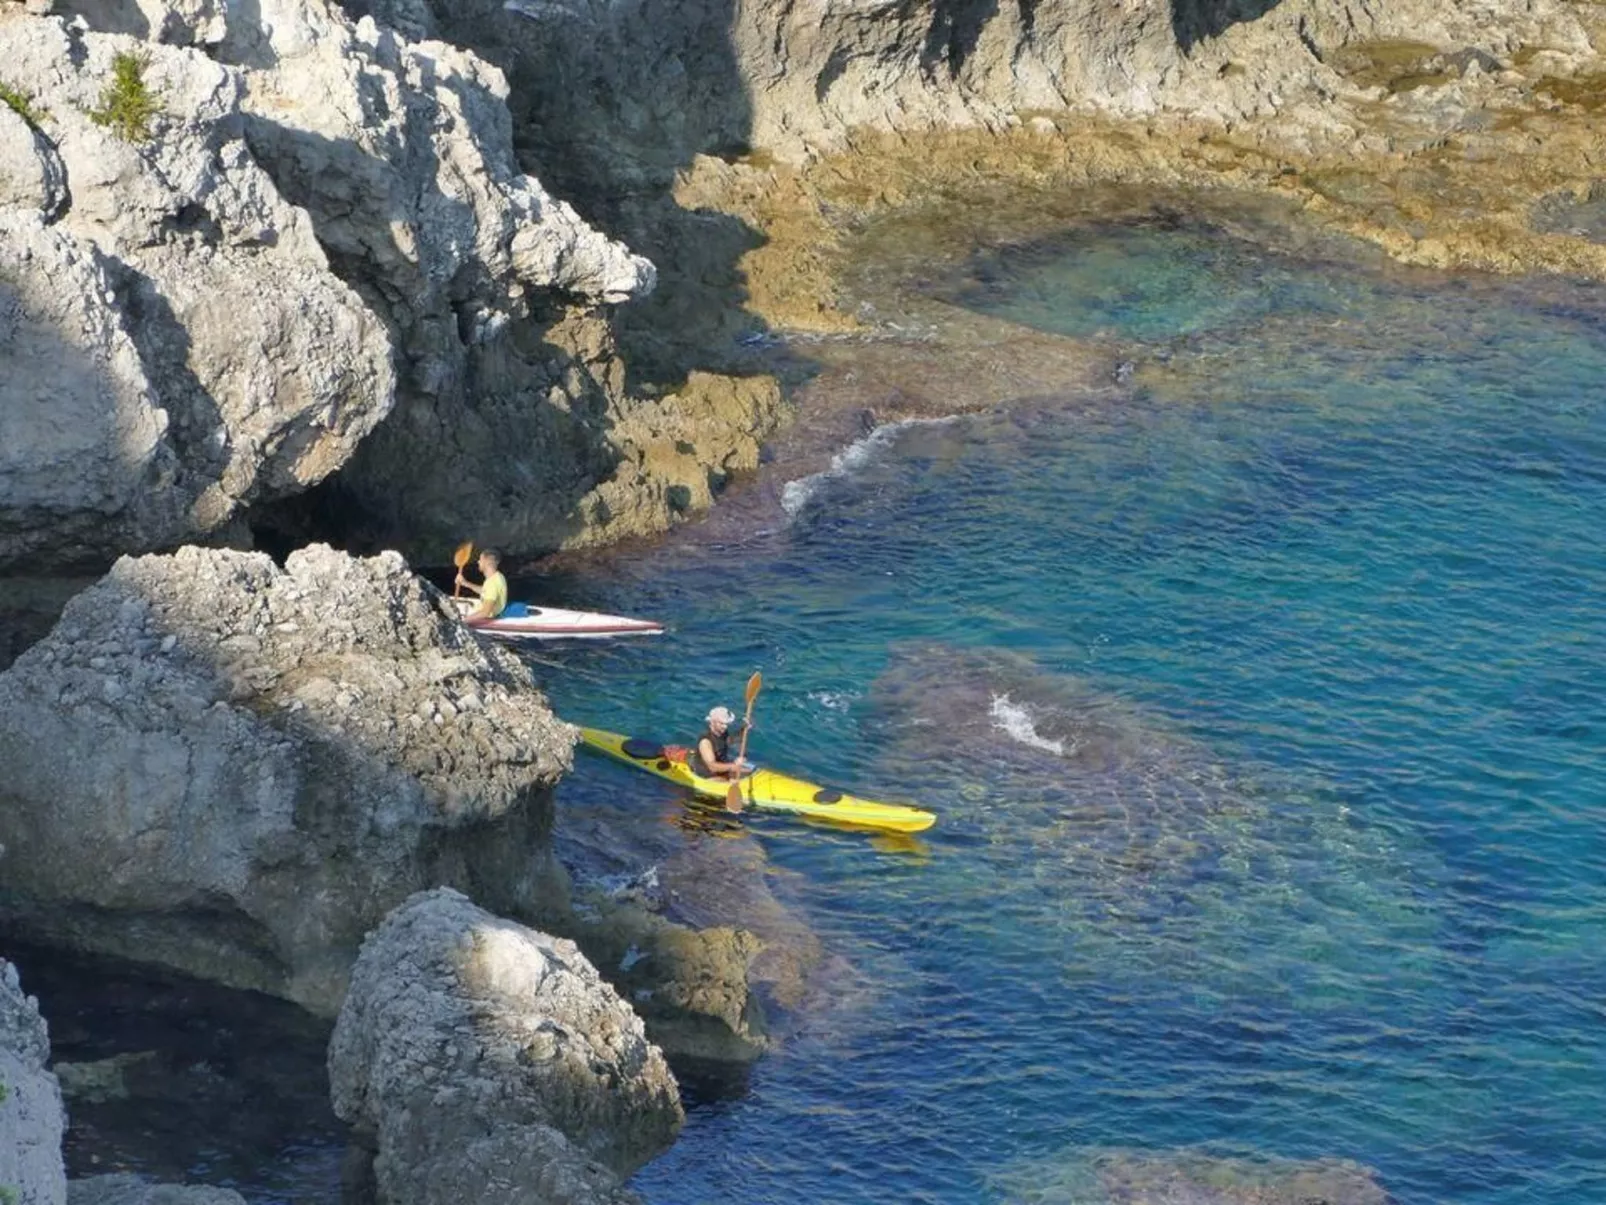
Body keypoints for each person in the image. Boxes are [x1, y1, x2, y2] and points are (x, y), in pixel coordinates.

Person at [692, 705, 752, 781]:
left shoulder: (722, 733)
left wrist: (744, 729)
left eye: (726, 724)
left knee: (750, 771)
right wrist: (733, 766)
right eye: (722, 723)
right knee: (731, 782)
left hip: (723, 767)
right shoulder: (706, 742)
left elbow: (730, 740)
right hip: (708, 774)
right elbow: (712, 767)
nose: (725, 727)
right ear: (713, 722)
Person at [456, 548, 508, 623]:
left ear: (487, 562)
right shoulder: (498, 576)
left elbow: (485, 612)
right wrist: (465, 583)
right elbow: (485, 591)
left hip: (486, 616)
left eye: (480, 559)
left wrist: (462, 621)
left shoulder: (492, 583)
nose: (478, 562)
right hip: (481, 608)